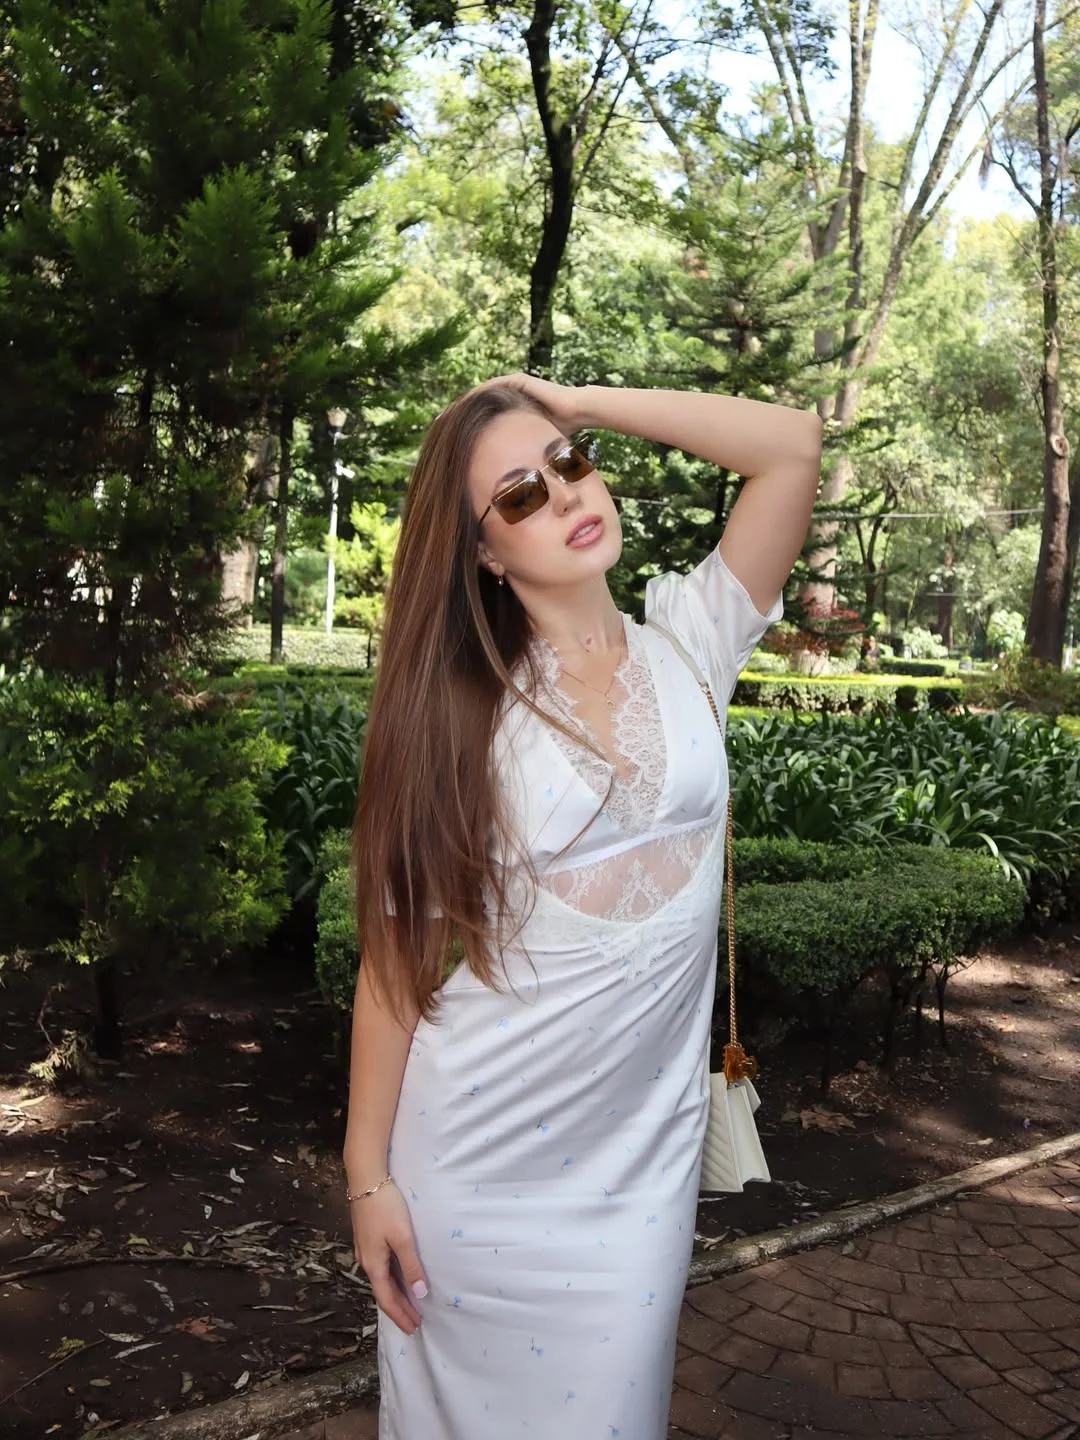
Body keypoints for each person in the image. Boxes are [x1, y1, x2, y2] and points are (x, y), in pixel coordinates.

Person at [344, 376, 821, 1439]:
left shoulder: (691, 642)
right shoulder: (457, 714)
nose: (563, 494)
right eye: (518, 495)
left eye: (567, 465)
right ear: (483, 553)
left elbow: (791, 445)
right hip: (475, 1165)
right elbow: (395, 964)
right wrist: (367, 1177)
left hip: (640, 1169)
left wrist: (575, 401)